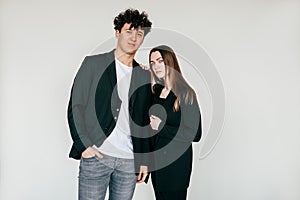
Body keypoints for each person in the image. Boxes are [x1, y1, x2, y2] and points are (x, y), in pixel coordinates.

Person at [67, 8, 152, 200]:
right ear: (118, 32)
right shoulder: (93, 64)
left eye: (139, 34)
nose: (134, 38)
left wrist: (144, 160)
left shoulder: (143, 75)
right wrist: (85, 146)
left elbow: (144, 121)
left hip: (129, 161)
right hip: (98, 155)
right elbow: (76, 107)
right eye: (129, 31)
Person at [148, 45, 202, 200]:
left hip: (176, 167)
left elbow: (195, 134)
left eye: (160, 61)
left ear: (169, 63)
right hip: (157, 166)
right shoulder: (156, 92)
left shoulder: (185, 93)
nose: (155, 66)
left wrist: (161, 127)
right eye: (152, 62)